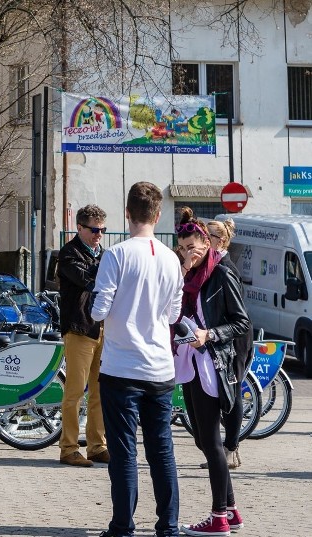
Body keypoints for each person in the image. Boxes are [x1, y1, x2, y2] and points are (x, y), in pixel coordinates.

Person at [91, 182, 184, 537]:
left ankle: (122, 527)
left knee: (124, 451)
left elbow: (99, 311)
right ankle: (169, 527)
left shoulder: (116, 255)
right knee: (162, 450)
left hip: (121, 368)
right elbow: (174, 314)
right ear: (158, 215)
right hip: (160, 368)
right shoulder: (171, 258)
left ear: (127, 213)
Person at [175, 208, 250, 536]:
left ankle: (218, 516)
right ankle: (231, 510)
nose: (189, 252)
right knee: (202, 440)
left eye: (194, 247)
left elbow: (241, 322)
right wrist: (183, 269)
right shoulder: (187, 275)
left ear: (207, 243)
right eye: (183, 248)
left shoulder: (221, 272)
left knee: (211, 442)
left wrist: (209, 334)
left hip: (213, 362)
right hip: (190, 363)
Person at [57, 204, 109, 467]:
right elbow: (90, 279)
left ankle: (97, 445)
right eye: (94, 230)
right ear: (79, 228)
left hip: (101, 327)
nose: (99, 234)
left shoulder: (104, 255)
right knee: (75, 392)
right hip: (79, 327)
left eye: (102, 230)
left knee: (100, 390)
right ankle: (68, 447)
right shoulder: (69, 254)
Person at [202, 218, 252, 471]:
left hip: (234, 338)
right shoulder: (209, 265)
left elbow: (238, 317)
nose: (202, 239)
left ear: (219, 241)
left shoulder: (225, 268)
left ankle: (231, 448)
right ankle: (219, 450)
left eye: (206, 235)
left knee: (231, 392)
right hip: (219, 336)